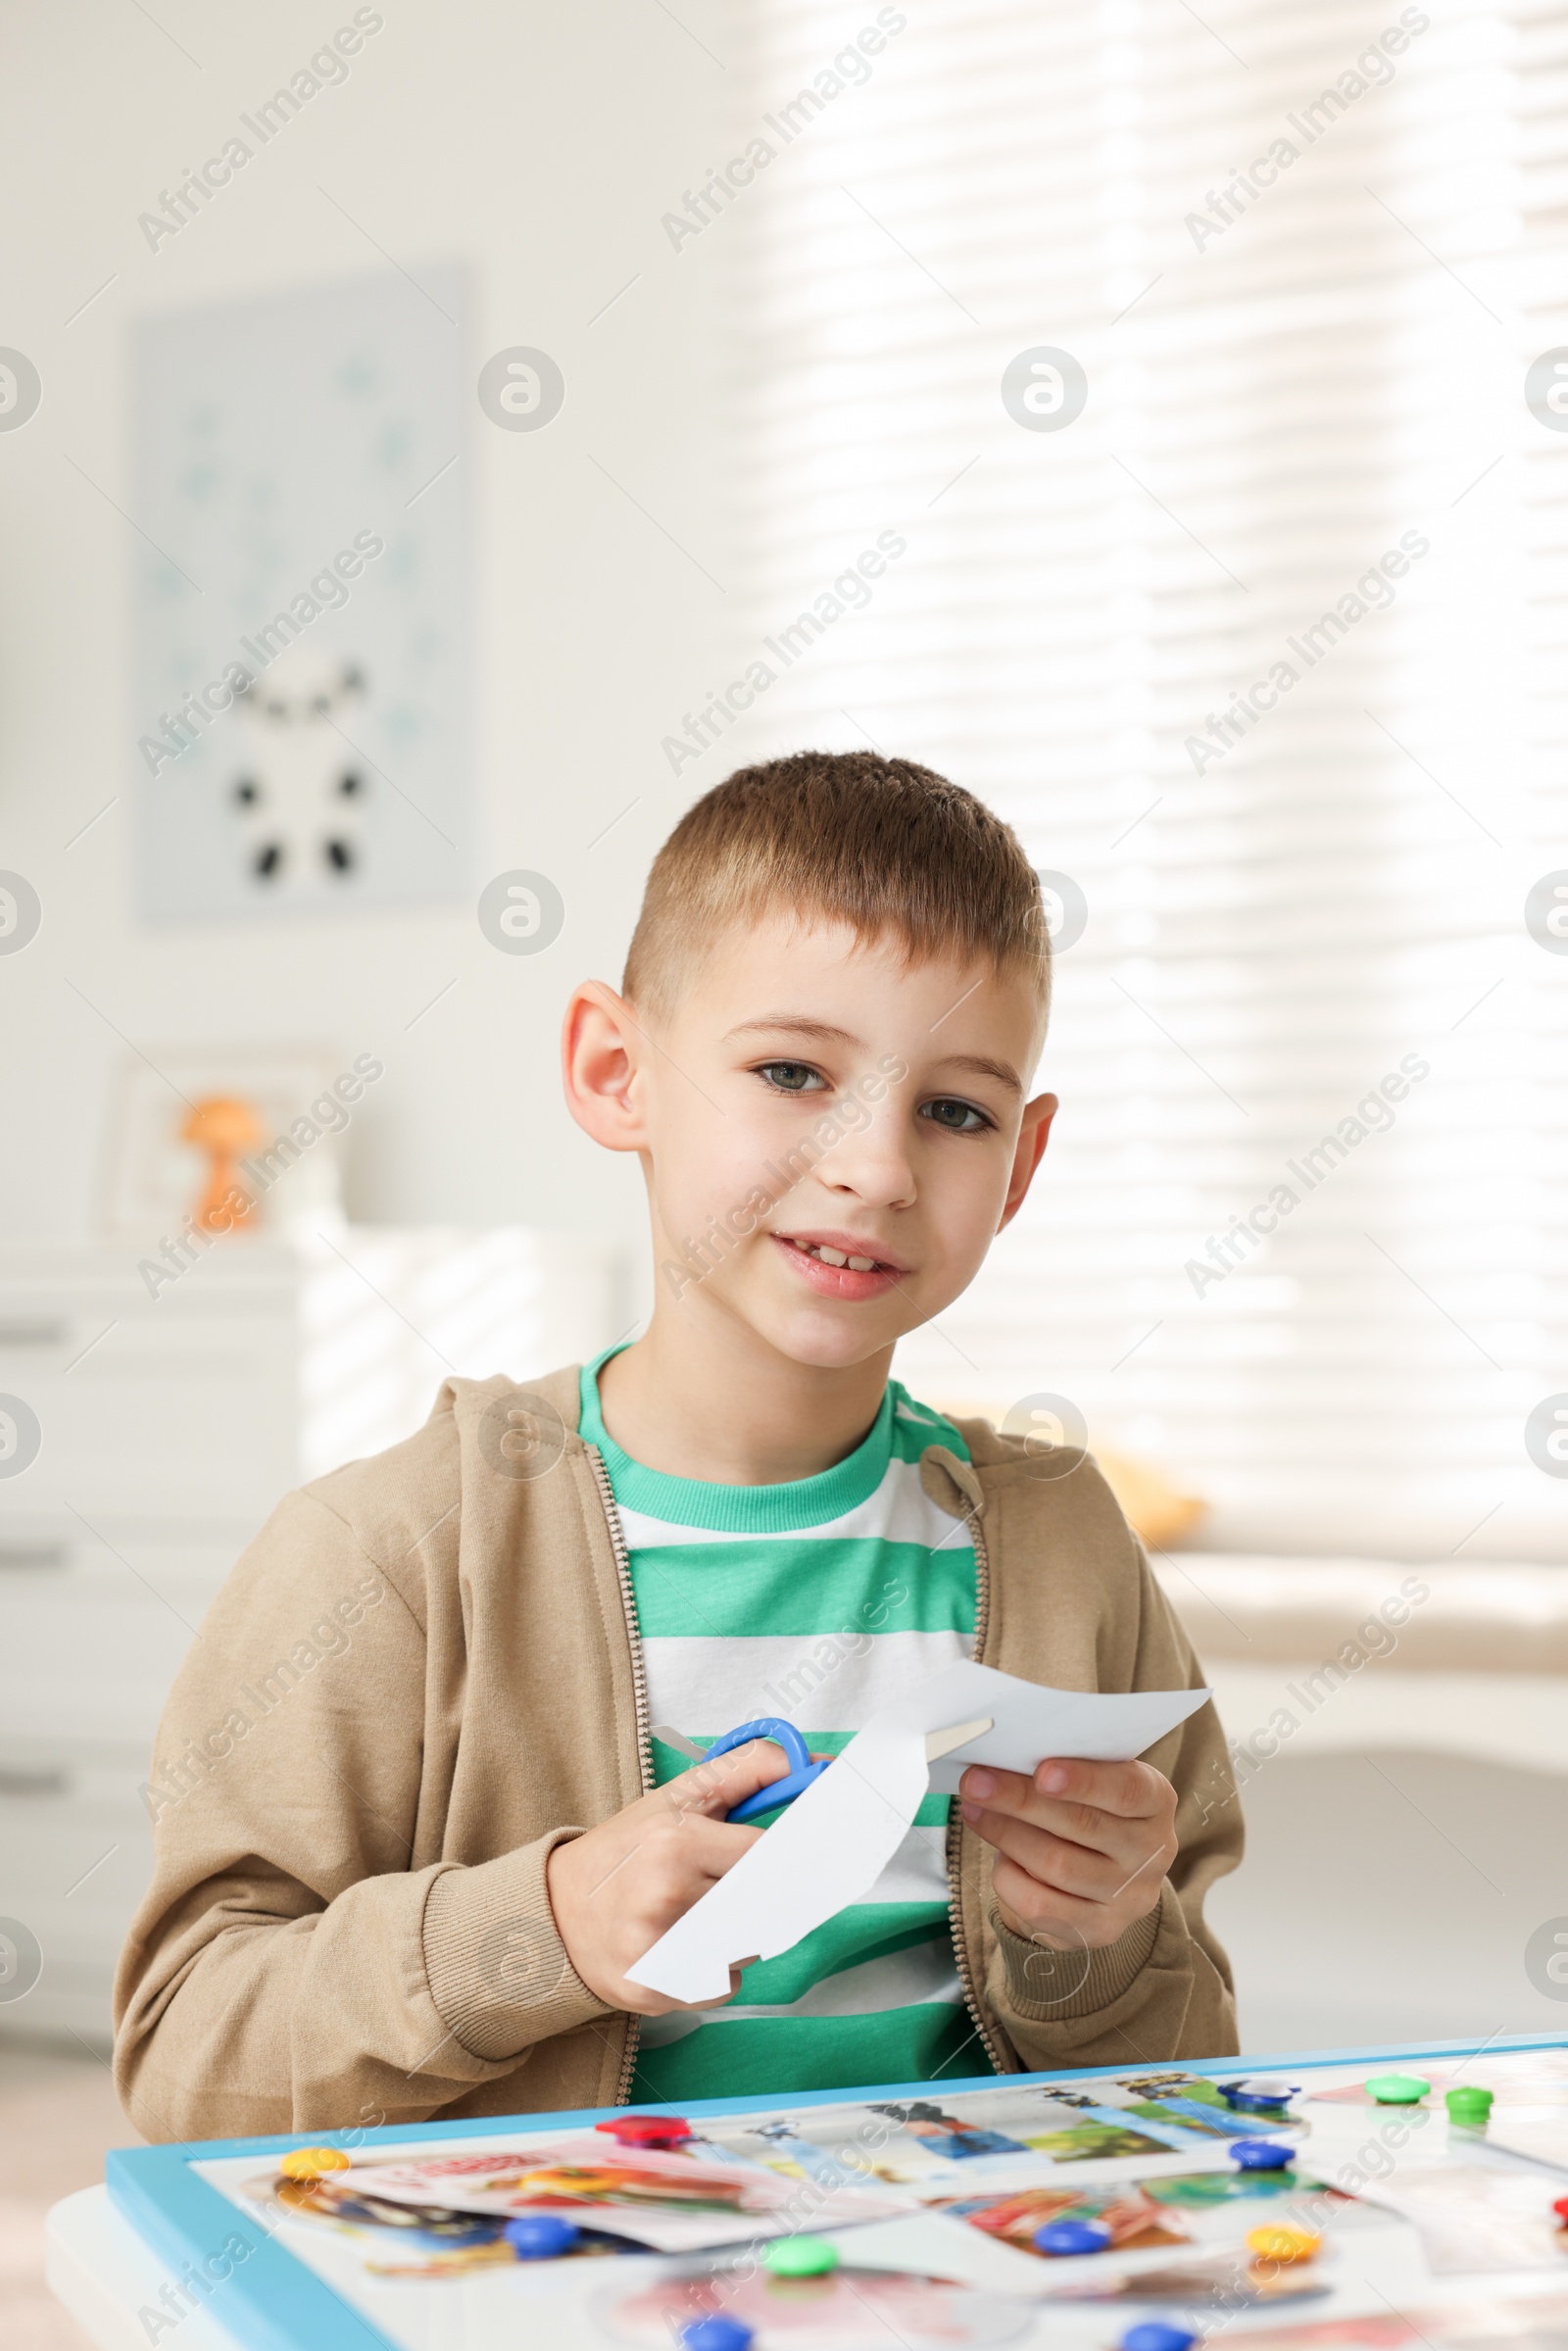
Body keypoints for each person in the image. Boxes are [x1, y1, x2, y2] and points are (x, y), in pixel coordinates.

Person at [114, 752, 1241, 2142]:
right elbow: (185, 2063)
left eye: (955, 1110)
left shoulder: (1066, 1544)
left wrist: (1094, 1942)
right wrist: (539, 1929)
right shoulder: (393, 1551)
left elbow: (1188, 2070)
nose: (876, 1169)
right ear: (614, 1071)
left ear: (1019, 1166)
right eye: (791, 1072)